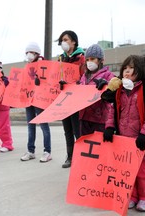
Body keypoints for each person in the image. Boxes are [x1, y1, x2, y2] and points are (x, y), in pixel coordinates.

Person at [102, 55, 145, 212]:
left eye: (131, 69)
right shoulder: (121, 91)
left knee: (144, 173)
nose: (127, 72)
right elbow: (113, 111)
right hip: (124, 142)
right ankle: (133, 196)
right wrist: (109, 127)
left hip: (142, 141)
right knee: (129, 172)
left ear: (141, 71)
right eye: (125, 68)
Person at [57, 30, 85, 168]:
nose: (64, 42)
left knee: (77, 130)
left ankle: (81, 156)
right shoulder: (61, 59)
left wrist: (79, 83)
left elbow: (85, 77)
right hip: (64, 101)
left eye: (66, 39)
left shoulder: (81, 58)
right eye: (62, 40)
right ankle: (70, 156)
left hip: (76, 100)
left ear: (74, 41)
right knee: (67, 130)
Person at [20, 42, 52, 163]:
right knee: (30, 126)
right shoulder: (27, 67)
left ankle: (47, 151)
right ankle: (31, 151)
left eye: (31, 52)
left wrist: (41, 82)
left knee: (44, 126)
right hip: (29, 100)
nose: (29, 55)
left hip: (40, 100)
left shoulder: (44, 65)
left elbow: (49, 82)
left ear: (37, 53)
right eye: (27, 52)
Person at [79, 44, 114, 135]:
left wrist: (106, 85)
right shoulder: (84, 76)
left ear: (101, 60)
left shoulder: (108, 75)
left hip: (100, 120)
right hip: (84, 118)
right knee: (84, 147)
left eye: (92, 59)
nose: (89, 62)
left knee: (98, 147)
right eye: (87, 60)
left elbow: (114, 92)